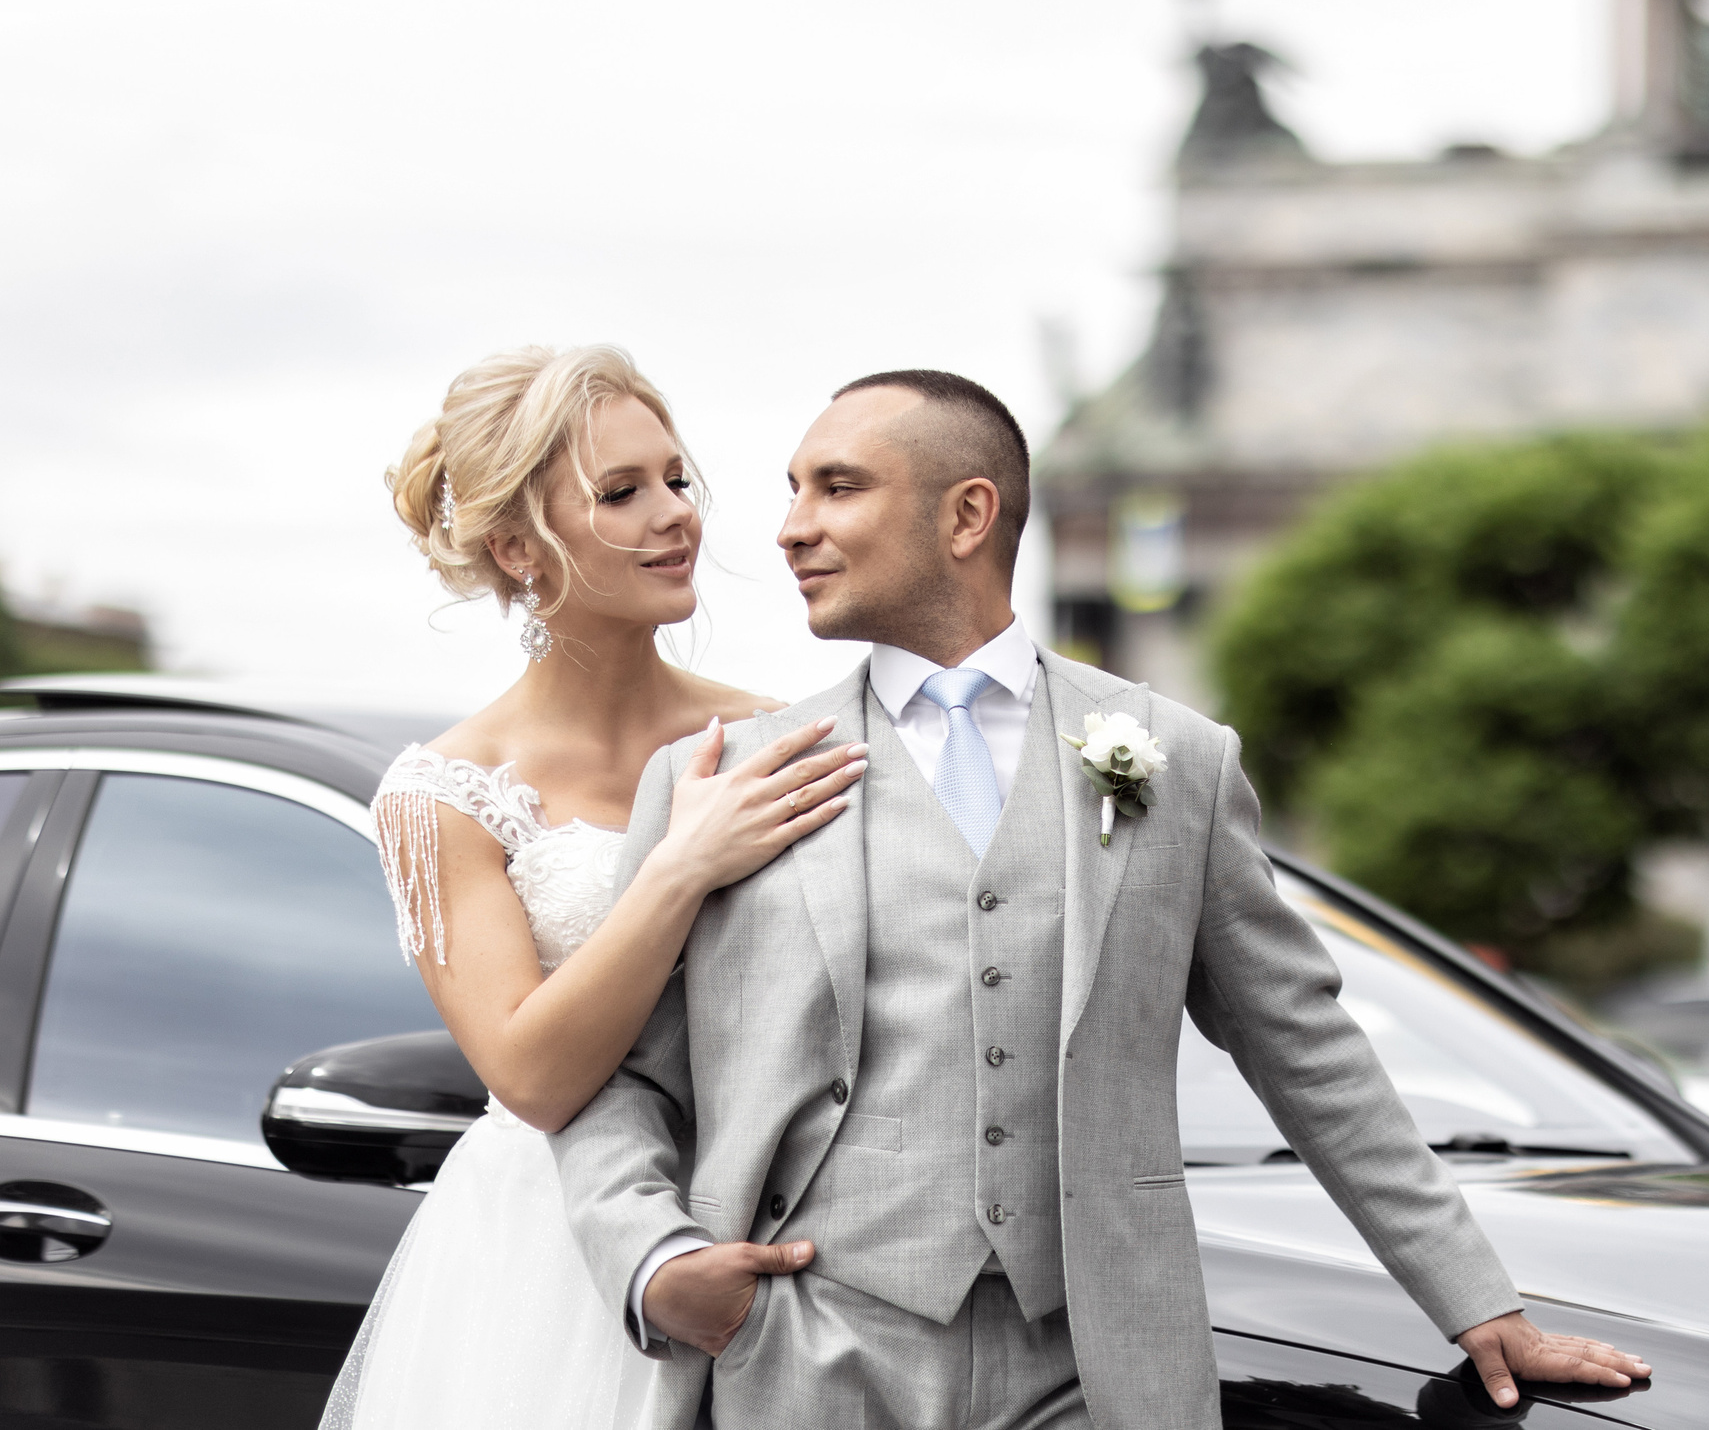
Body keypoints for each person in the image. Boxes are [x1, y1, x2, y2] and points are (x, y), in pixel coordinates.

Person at [552, 369, 1649, 1430]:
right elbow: (615, 1074)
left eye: (836, 488)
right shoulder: (717, 777)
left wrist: (1477, 1301)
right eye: (792, 491)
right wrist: (659, 1265)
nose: (790, 527)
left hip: (1094, 1367)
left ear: (967, 514)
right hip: (802, 1350)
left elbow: (1306, 1046)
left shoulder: (1177, 756)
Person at [321, 345, 869, 1430]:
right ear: (520, 546)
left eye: (676, 479)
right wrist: (680, 868)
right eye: (622, 492)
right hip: (547, 1261)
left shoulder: (774, 733)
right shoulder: (441, 795)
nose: (676, 515)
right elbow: (533, 1073)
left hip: (782, 1221)